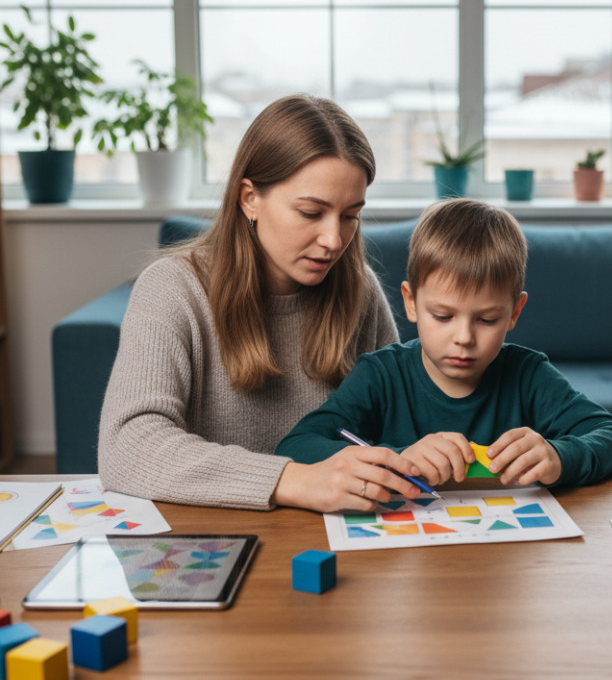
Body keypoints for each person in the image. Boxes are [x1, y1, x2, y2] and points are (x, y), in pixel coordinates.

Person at [98, 94, 426, 513]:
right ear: (249, 198)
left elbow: (404, 425)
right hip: (210, 539)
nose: (334, 241)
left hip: (345, 540)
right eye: (311, 212)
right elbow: (128, 446)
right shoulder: (172, 289)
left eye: (350, 216)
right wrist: (292, 479)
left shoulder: (360, 293)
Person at [276, 198, 612, 491]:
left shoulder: (528, 375)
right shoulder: (381, 375)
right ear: (411, 302)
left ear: (515, 312)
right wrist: (400, 458)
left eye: (487, 320)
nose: (464, 338)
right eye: (443, 316)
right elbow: (295, 446)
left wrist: (559, 456)